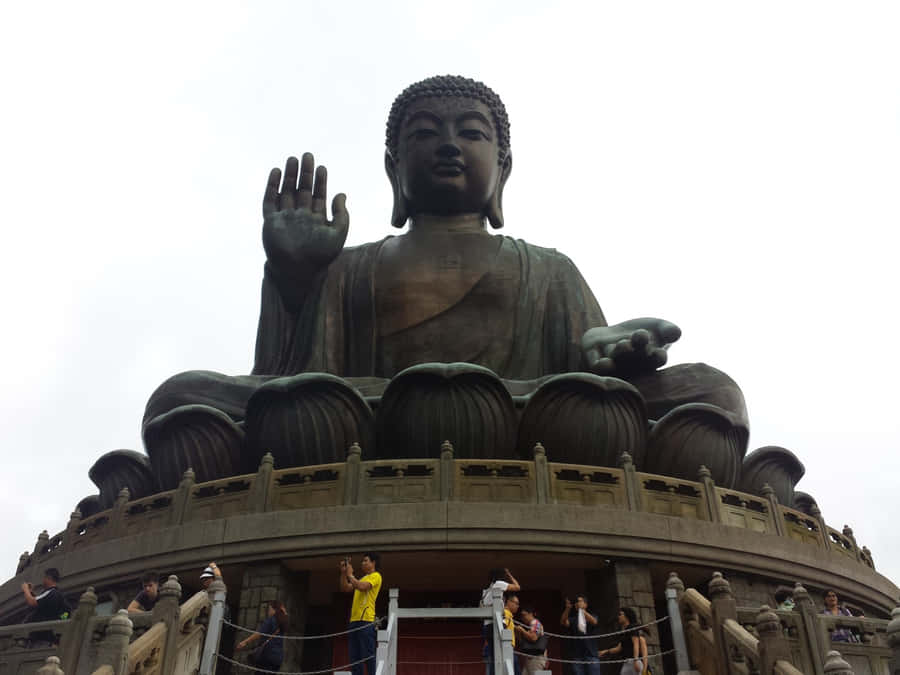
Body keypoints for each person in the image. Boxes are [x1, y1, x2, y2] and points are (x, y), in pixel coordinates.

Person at [143, 75, 747, 465]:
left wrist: (609, 356)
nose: (450, 146)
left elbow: (589, 378)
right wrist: (296, 280)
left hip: (528, 415)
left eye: (472, 133)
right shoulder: (351, 267)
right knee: (178, 399)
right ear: (392, 169)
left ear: (503, 168)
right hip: (367, 417)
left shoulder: (548, 270)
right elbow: (295, 378)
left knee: (715, 392)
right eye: (426, 135)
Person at [339, 553, 382, 675]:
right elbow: (345, 588)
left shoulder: (376, 576)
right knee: (354, 658)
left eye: (365, 560)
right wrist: (343, 573)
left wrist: (350, 574)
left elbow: (362, 587)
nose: (362, 563)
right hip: (354, 621)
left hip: (366, 621)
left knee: (368, 656)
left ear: (373, 563)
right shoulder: (361, 578)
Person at [481, 568, 521, 675]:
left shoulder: (486, 591)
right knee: (504, 653)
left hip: (486, 626)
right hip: (496, 623)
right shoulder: (499, 584)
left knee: (494, 656)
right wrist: (509, 575)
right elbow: (517, 587)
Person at [236, 599, 288, 672]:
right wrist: (283, 611)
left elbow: (260, 633)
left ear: (274, 610)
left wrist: (245, 642)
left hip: (267, 655)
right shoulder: (283, 623)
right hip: (278, 657)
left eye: (270, 609)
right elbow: (285, 615)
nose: (269, 611)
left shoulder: (271, 620)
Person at [21, 568, 69, 644]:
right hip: (50, 636)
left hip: (40, 635)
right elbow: (41, 603)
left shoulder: (50, 592)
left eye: (44, 577)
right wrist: (30, 592)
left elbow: (32, 602)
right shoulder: (59, 595)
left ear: (48, 578)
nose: (42, 580)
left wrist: (25, 589)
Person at [560, 595, 600, 675]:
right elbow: (563, 622)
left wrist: (582, 610)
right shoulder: (573, 619)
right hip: (577, 655)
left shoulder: (592, 615)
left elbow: (594, 622)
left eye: (580, 601)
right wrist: (567, 609)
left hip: (591, 654)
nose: (577, 603)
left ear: (586, 604)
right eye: (576, 602)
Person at [598, 607, 644, 674]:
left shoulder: (632, 628)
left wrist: (636, 660)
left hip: (633, 661)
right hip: (627, 662)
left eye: (620, 614)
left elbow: (636, 644)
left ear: (627, 617)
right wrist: (605, 651)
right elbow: (619, 648)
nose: (618, 617)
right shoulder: (624, 632)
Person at [516, 604, 547, 675]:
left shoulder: (535, 622)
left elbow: (533, 638)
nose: (523, 618)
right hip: (531, 658)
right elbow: (523, 642)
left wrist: (521, 630)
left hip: (535, 658)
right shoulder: (530, 625)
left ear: (531, 614)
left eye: (524, 615)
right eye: (522, 616)